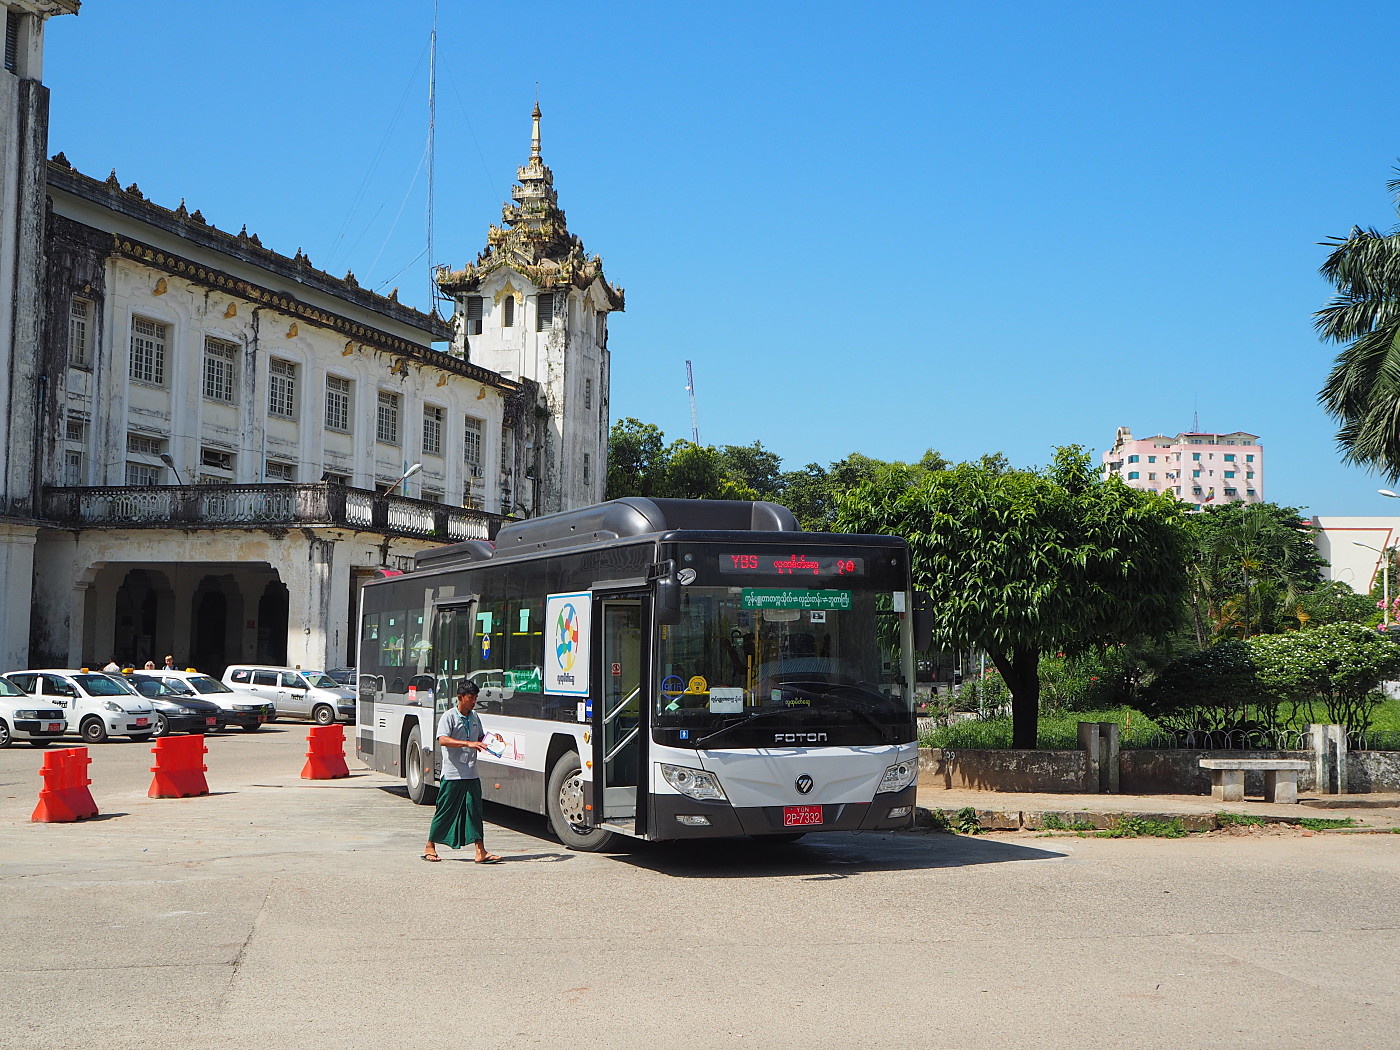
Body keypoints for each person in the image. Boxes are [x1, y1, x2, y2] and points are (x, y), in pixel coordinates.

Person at [421, 682, 501, 864]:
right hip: (453, 774)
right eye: (470, 698)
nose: (473, 702)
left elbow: (480, 737)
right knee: (445, 810)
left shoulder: (474, 717)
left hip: (471, 773)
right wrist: (467, 744)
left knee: (475, 811)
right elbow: (443, 740)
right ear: (460, 698)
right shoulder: (449, 717)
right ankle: (429, 846)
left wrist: (493, 739)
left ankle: (480, 851)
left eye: (475, 698)